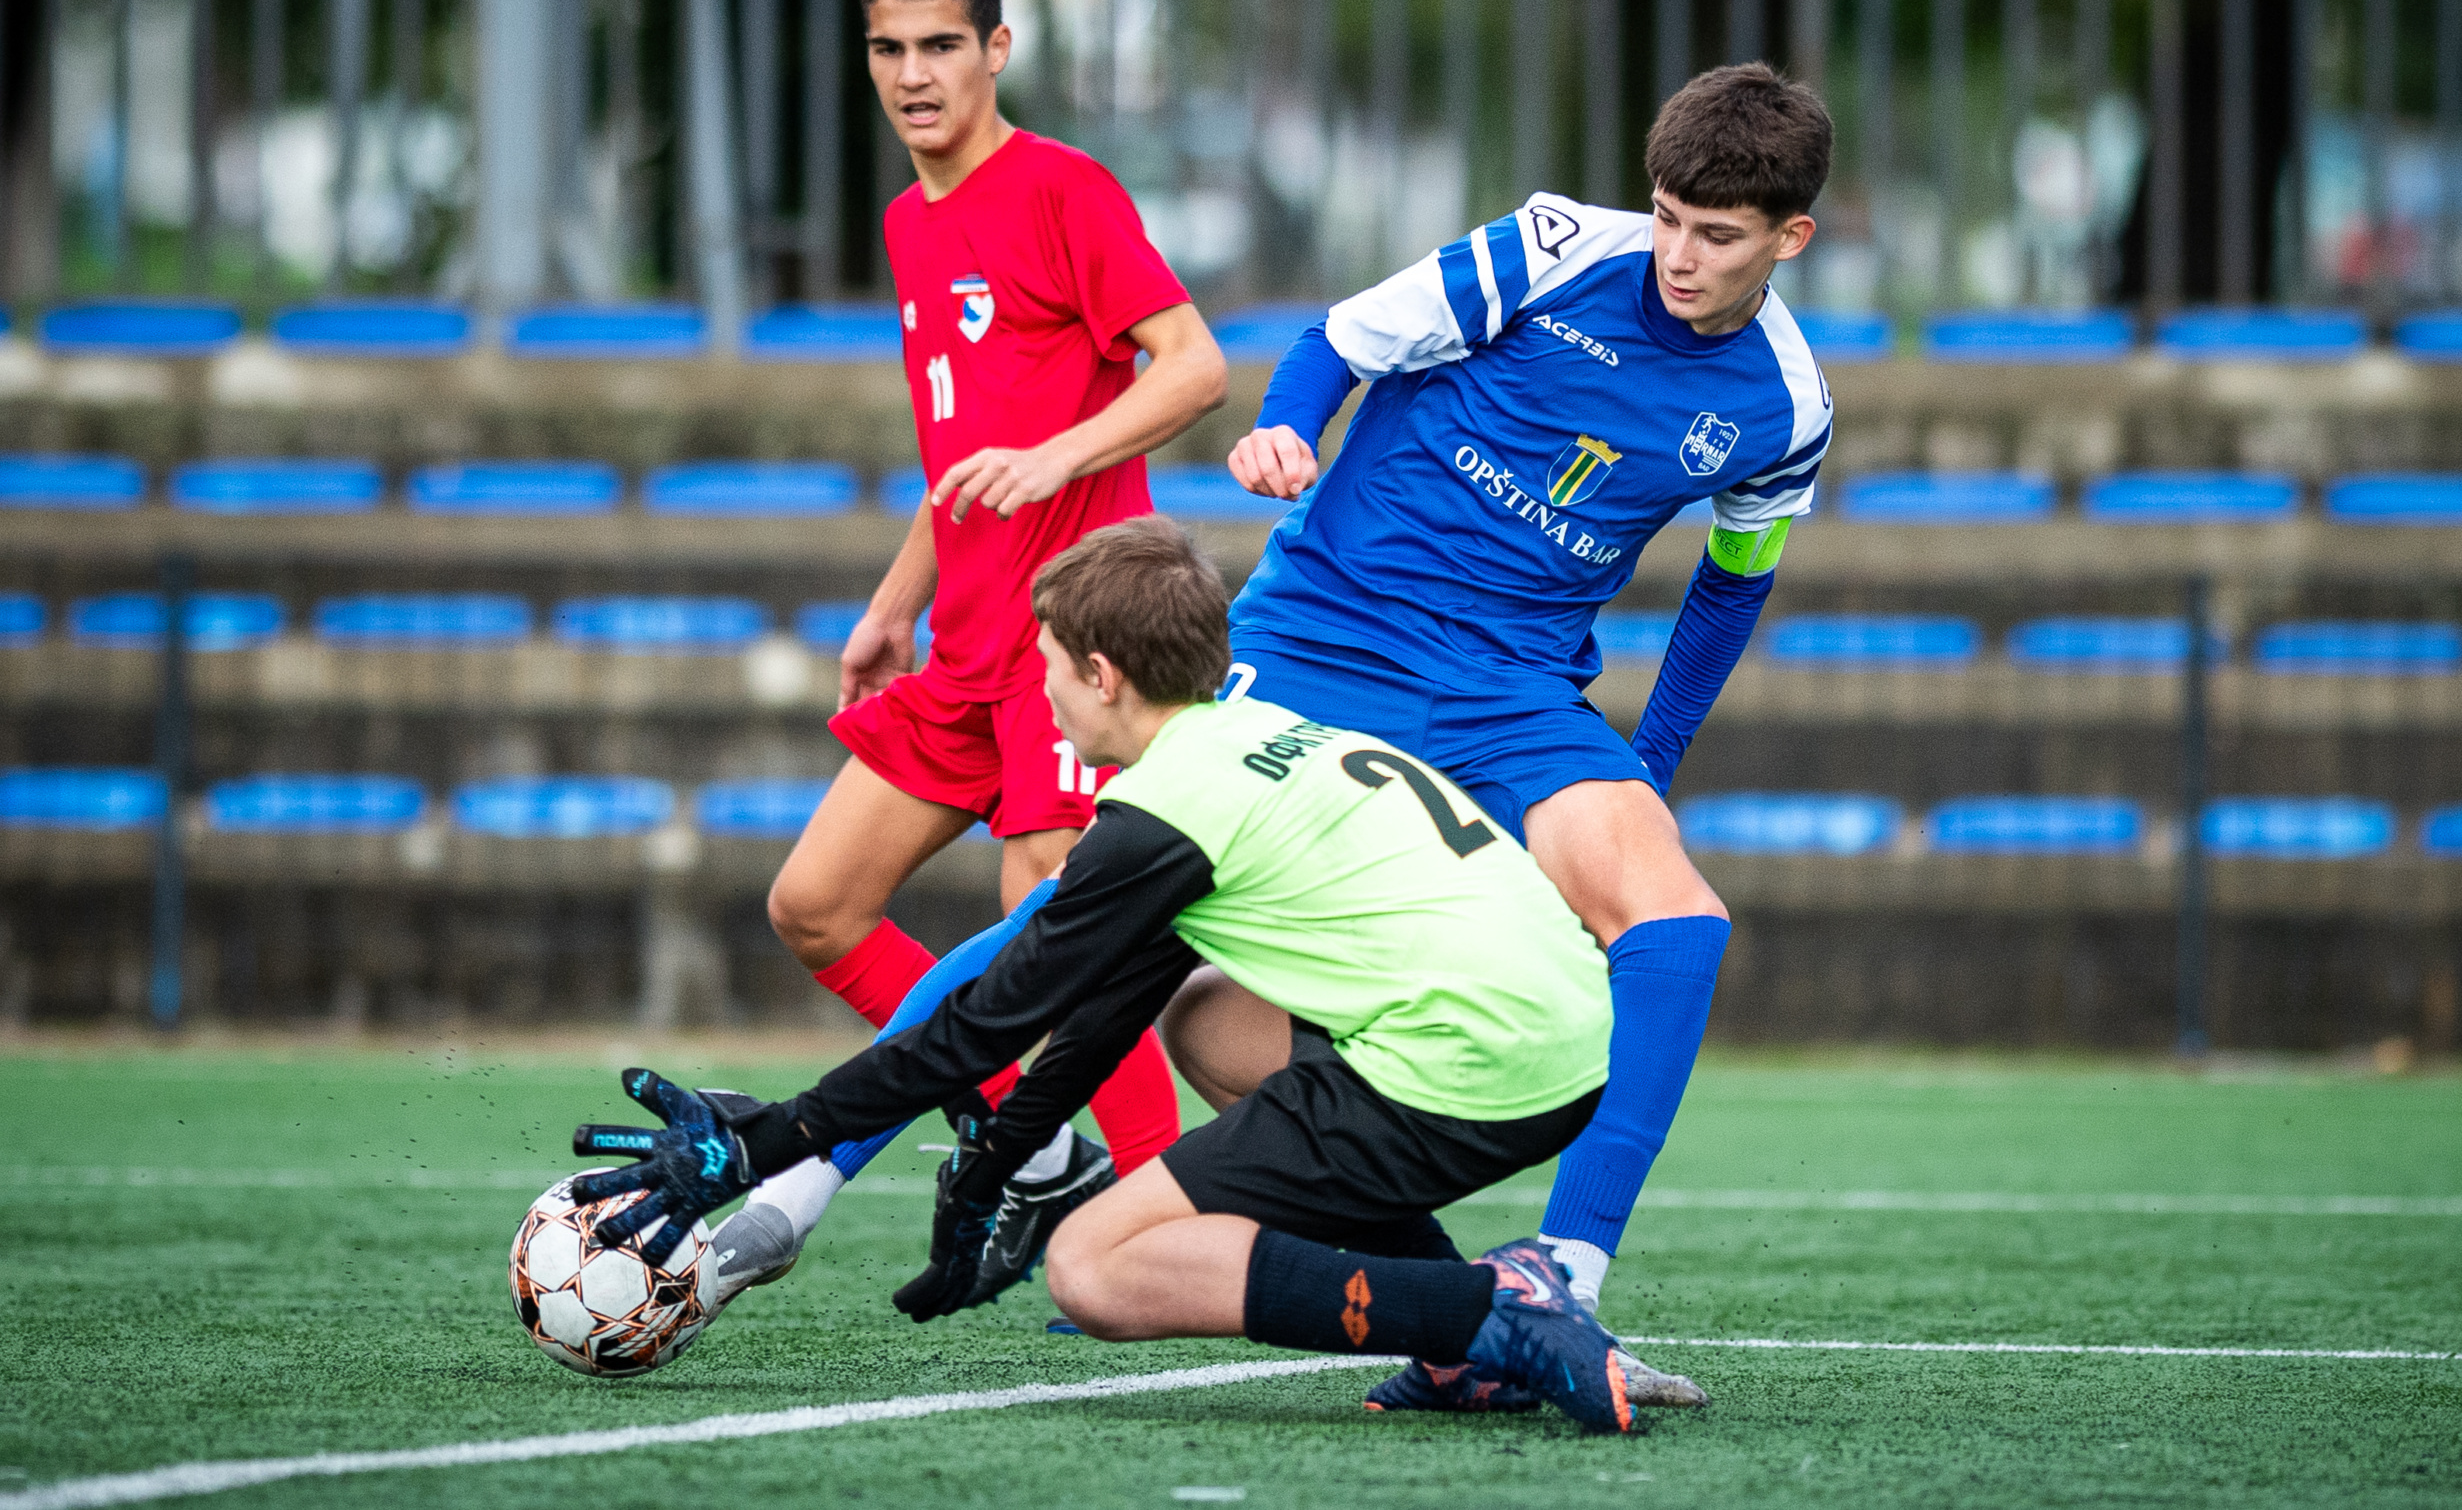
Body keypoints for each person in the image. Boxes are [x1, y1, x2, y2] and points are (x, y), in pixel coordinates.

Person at [569, 518, 1681, 1434]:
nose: (1039, 696)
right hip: (1563, 1038)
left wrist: (757, 1145)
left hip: (1468, 1063)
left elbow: (974, 1032)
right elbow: (1111, 1007)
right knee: (1199, 1017)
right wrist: (995, 1165)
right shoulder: (1251, 734)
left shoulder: (1162, 815)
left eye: (1047, 668)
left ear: (1103, 676)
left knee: (1098, 1269)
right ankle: (1465, 1356)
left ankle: (1491, 1311)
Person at [1190, 64, 1835, 1349]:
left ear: (1789, 238)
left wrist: (1644, 766)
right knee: (1193, 1008)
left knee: (1678, 924)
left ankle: (1562, 1275)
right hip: (1325, 632)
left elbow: (1727, 592)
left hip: (1506, 688)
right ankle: (799, 1162)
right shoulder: (1549, 249)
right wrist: (1285, 430)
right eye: (1666, 216)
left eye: (1717, 236)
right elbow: (1340, 341)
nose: (1679, 256)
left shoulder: (1786, 406)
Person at [715, 0, 1227, 1300]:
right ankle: (1042, 1145)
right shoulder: (907, 221)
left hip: (1078, 645)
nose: (914, 72)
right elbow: (961, 456)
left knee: (1062, 920)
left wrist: (1064, 458)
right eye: (889, 47)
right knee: (814, 902)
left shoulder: (1064, 190)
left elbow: (1194, 367)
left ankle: (1142, 1216)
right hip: (963, 641)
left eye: (942, 43)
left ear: (996, 48)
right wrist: (896, 601)